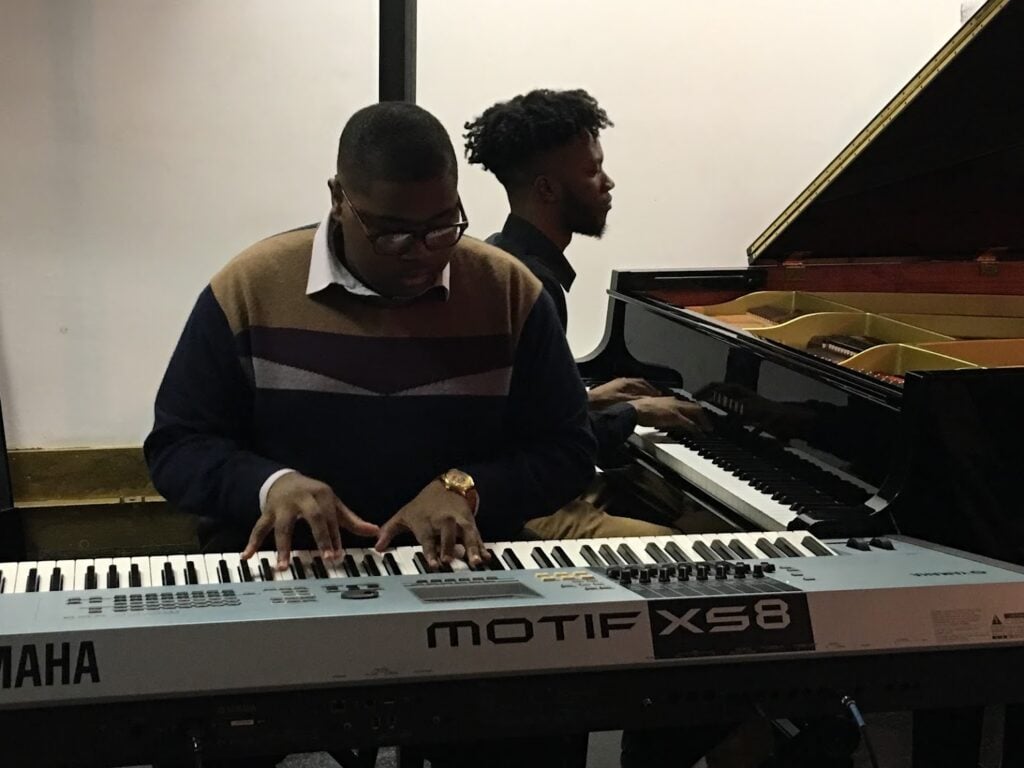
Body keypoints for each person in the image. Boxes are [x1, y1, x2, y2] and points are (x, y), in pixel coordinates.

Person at [144, 101, 595, 768]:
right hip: (287, 565)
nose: (420, 256)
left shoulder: (508, 291)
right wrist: (271, 483)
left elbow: (569, 450)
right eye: (391, 233)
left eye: (443, 228)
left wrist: (466, 486)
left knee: (544, 728)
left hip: (458, 567)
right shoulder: (250, 287)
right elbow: (177, 444)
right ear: (338, 199)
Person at [464, 88, 707, 539]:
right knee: (703, 550)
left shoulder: (505, 254)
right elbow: (536, 443)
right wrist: (633, 412)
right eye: (592, 170)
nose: (607, 182)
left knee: (691, 511)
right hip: (523, 505)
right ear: (547, 188)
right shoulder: (532, 287)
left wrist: (586, 396)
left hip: (525, 482)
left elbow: (518, 402)